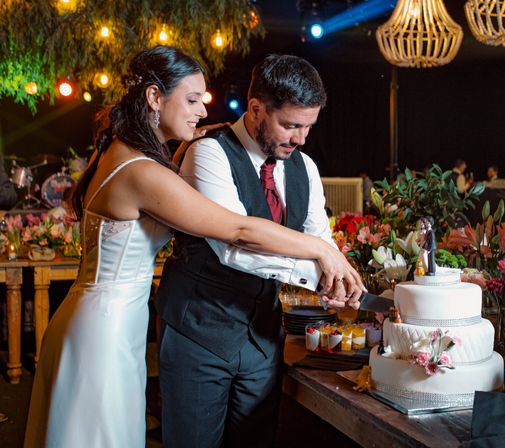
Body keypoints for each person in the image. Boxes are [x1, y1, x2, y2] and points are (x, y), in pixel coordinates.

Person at [24, 46, 363, 448]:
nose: (202, 111)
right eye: (191, 100)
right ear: (154, 97)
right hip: (118, 326)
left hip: (118, 320)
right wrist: (321, 254)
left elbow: (308, 228)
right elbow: (236, 232)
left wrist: (326, 257)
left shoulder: (135, 156)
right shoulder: (145, 170)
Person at [156, 54, 355, 448]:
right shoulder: (208, 153)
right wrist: (316, 266)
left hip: (263, 336)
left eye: (308, 127)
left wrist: (339, 273)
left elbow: (319, 233)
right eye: (291, 125)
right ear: (256, 109)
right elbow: (236, 246)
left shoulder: (306, 167)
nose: (300, 138)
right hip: (200, 331)